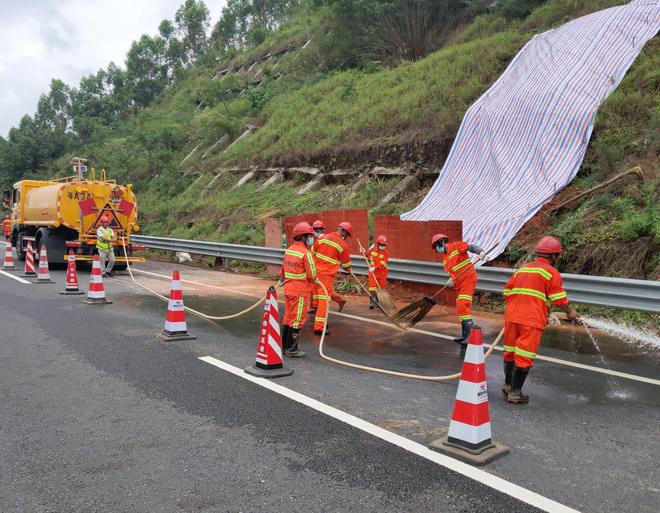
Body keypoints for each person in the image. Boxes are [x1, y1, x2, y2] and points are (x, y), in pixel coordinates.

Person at [502, 235, 579, 404]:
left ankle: (508, 385)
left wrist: (530, 307)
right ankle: (515, 393)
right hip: (531, 319)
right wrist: (571, 312)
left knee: (510, 351)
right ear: (553, 256)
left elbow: (507, 292)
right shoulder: (551, 273)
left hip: (512, 316)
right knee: (524, 354)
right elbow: (559, 299)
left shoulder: (522, 269)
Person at [431, 233, 488, 345]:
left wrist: (480, 252)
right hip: (459, 284)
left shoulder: (457, 246)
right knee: (459, 307)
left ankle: (471, 337)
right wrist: (451, 280)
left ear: (441, 242)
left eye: (436, 247)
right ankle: (465, 335)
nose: (437, 250)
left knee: (463, 304)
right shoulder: (445, 260)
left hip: (468, 279)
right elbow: (453, 273)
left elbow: (471, 247)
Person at [278, 222, 318, 357]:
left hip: (289, 290)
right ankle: (292, 349)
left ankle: (284, 347)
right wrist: (315, 280)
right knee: (298, 319)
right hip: (300, 291)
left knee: (288, 317)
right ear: (303, 237)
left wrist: (281, 279)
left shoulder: (289, 250)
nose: (311, 239)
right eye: (309, 236)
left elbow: (283, 269)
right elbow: (312, 274)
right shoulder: (306, 253)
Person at [312, 222, 353, 335]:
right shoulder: (343, 245)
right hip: (325, 275)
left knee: (321, 294)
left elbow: (313, 252)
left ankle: (340, 300)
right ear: (343, 232)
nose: (346, 238)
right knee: (324, 300)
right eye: (347, 235)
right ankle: (320, 327)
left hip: (315, 272)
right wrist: (349, 269)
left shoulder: (323, 237)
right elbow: (345, 265)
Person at [364, 235, 389, 309]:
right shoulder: (373, 248)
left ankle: (378, 302)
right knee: (372, 287)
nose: (383, 246)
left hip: (382, 273)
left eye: (384, 245)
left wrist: (375, 267)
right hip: (373, 272)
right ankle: (372, 302)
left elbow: (382, 263)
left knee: (380, 288)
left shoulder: (386, 253)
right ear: (378, 244)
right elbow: (367, 254)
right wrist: (362, 251)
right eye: (382, 245)